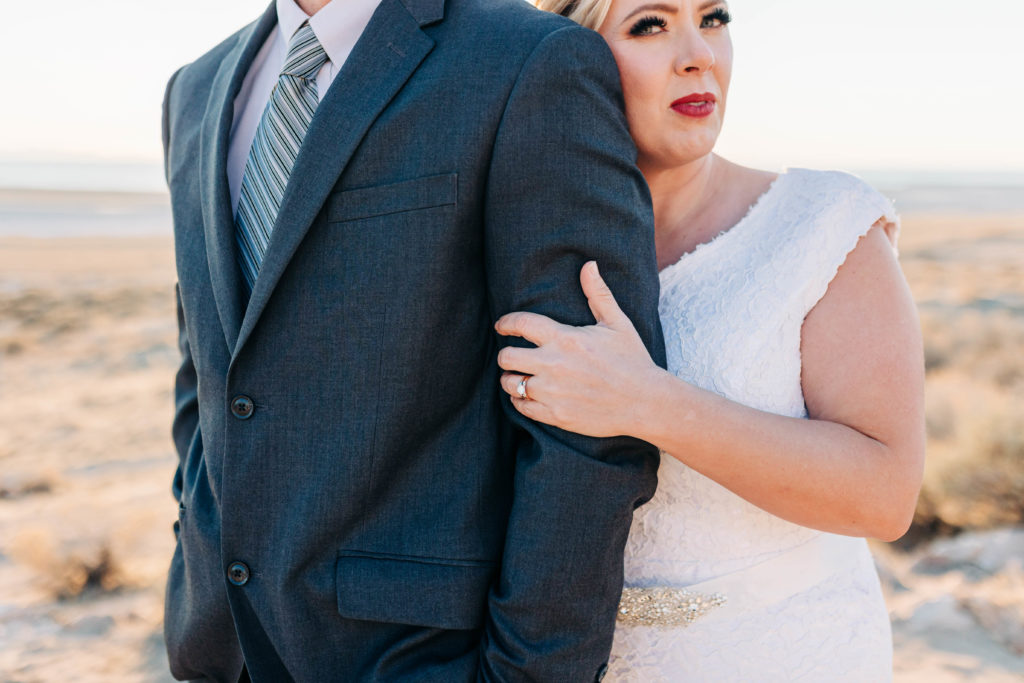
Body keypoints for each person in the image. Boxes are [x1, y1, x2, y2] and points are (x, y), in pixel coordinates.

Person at [160, 0, 666, 679]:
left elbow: (591, 427)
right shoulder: (195, 87)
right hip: (217, 650)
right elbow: (209, 367)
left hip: (418, 657)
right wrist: (193, 553)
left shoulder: (528, 60)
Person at [498, 0, 926, 679]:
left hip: (786, 657)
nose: (699, 53)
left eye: (715, 17)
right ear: (563, 56)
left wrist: (648, 402)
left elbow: (886, 494)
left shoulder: (824, 227)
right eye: (650, 25)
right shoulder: (512, 246)